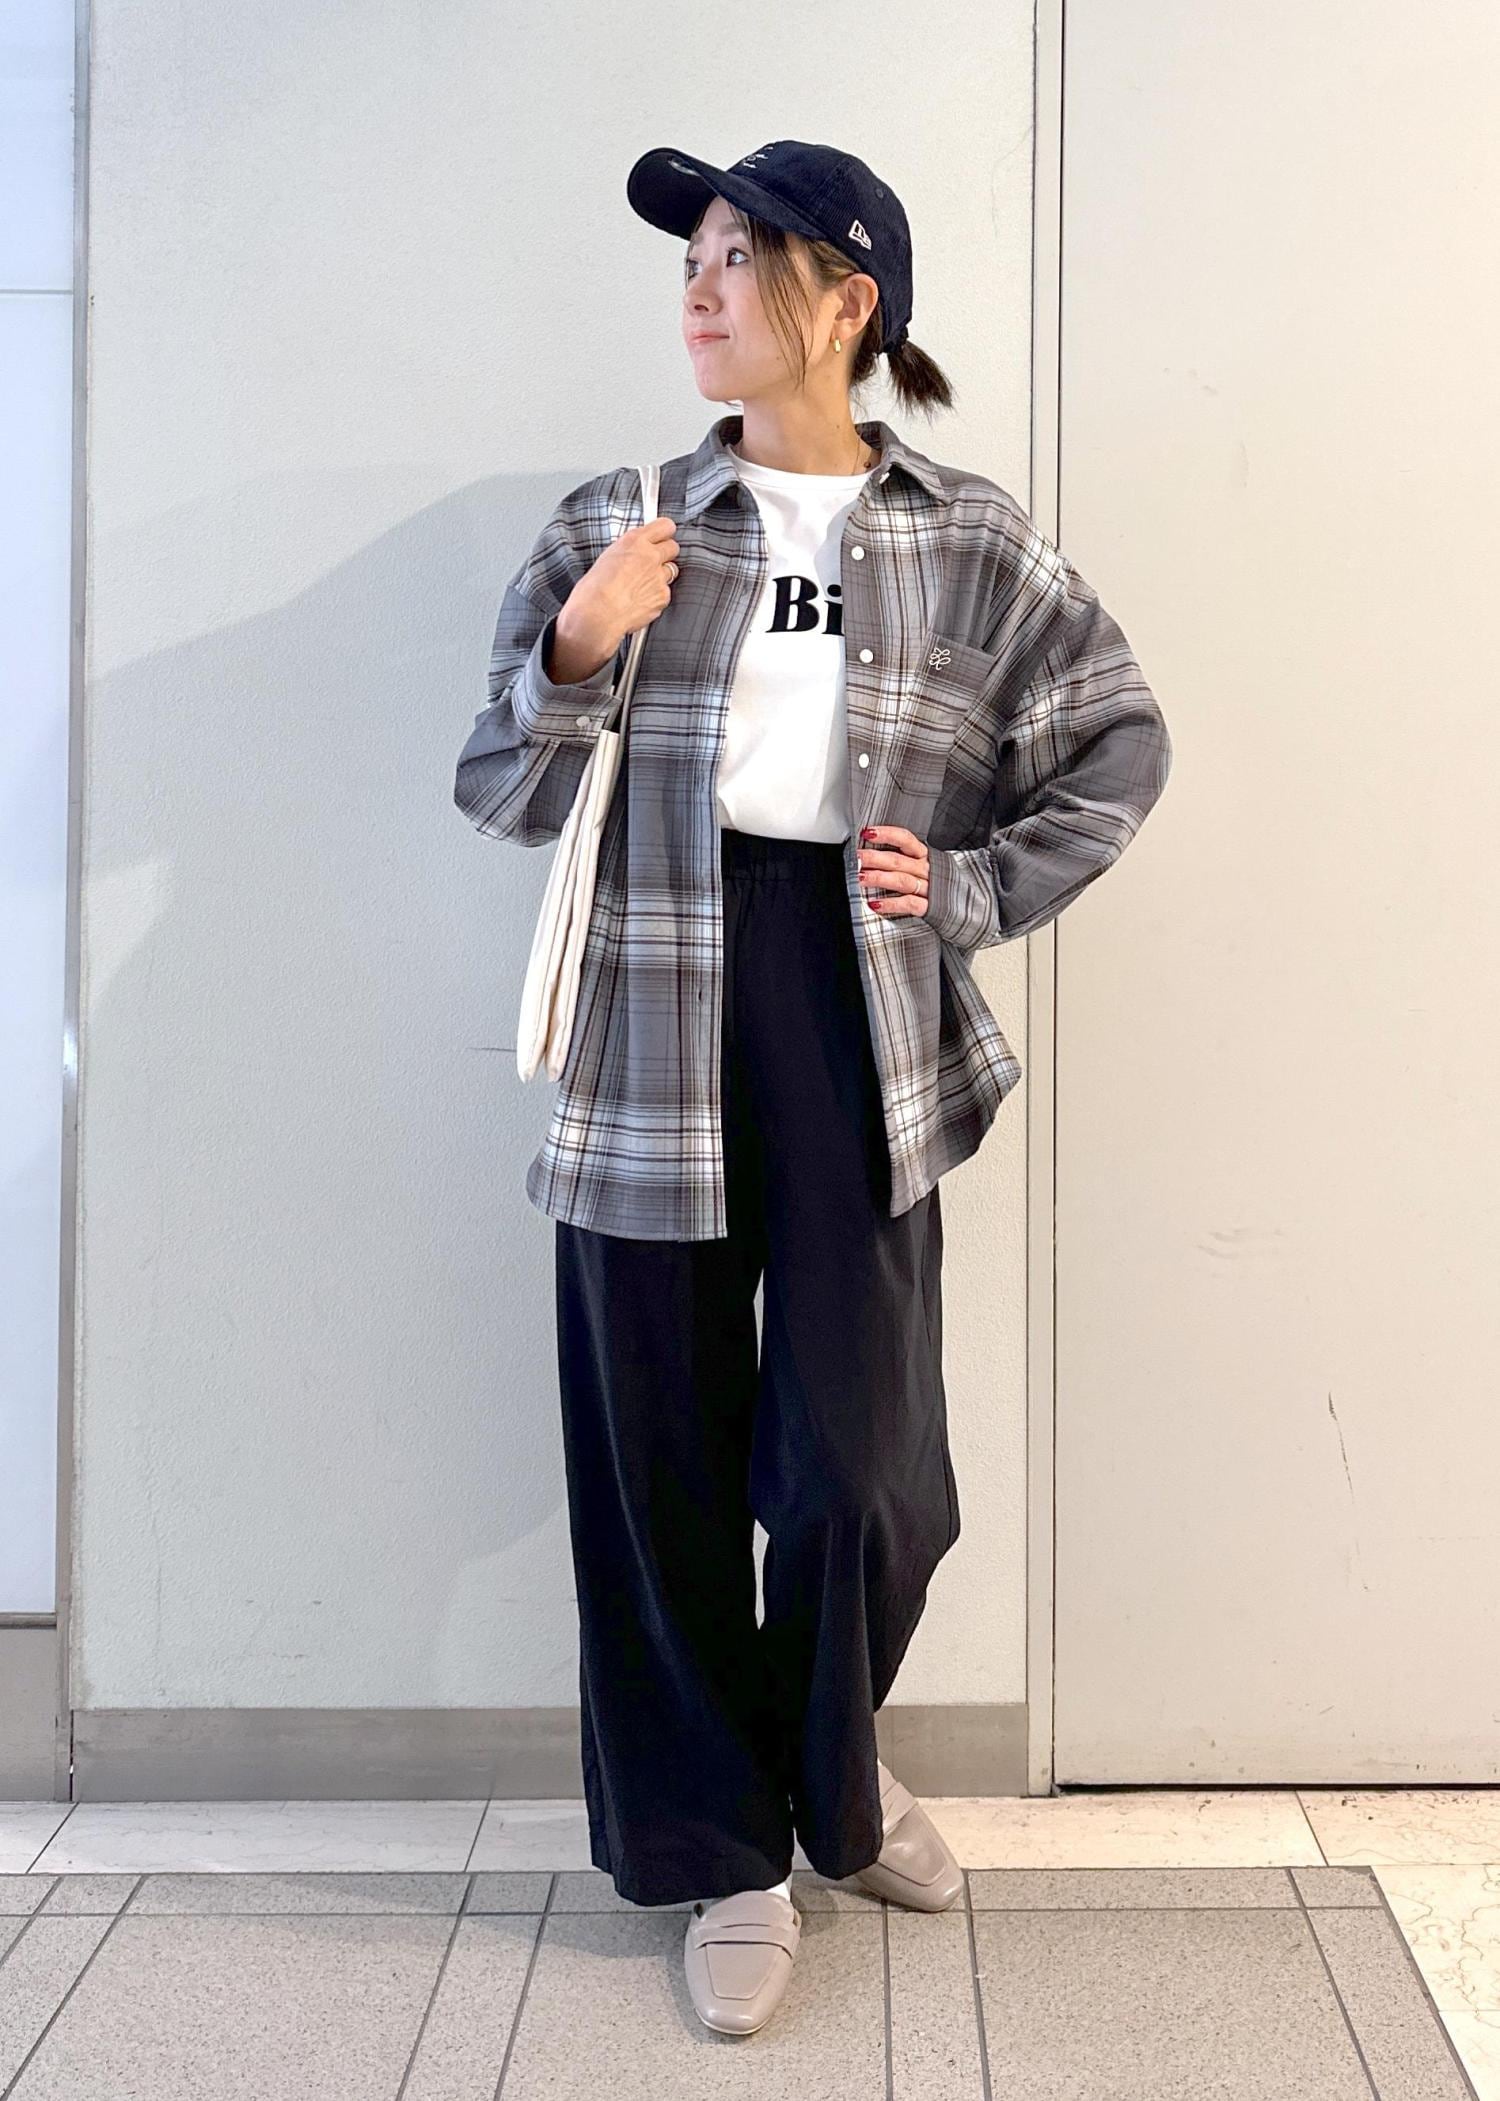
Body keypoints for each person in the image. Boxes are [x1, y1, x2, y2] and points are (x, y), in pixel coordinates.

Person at [454, 137, 1173, 2036]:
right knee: (663, 1458)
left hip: (856, 1003)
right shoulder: (622, 520)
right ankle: (728, 1853)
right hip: (653, 1002)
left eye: (735, 257)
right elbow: (498, 788)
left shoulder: (968, 538)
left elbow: (1117, 737)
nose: (697, 289)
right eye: (689, 259)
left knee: (862, 1475)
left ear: (846, 300)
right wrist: (580, 643)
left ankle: (829, 1780)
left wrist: (974, 887)